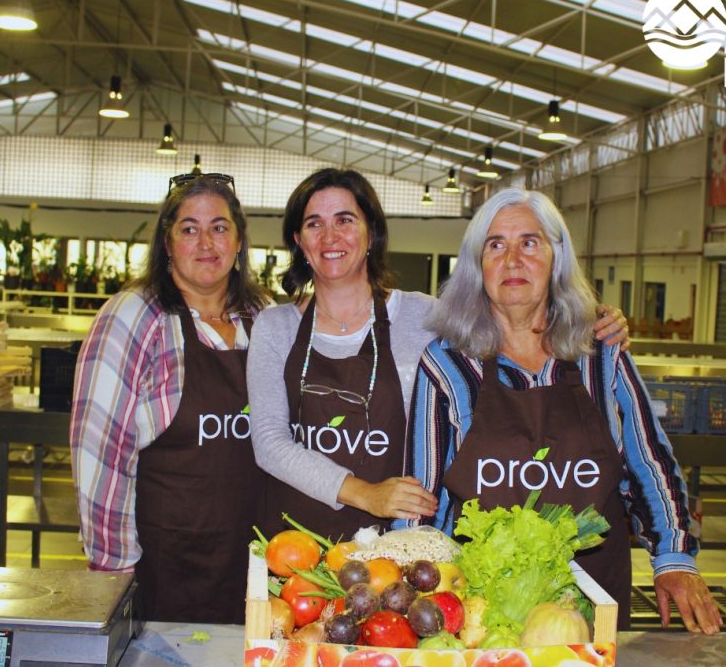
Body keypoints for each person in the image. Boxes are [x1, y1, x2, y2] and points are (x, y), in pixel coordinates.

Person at [247, 168, 630, 542]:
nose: (330, 236)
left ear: (371, 234)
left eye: (345, 220)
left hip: (400, 541)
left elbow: (516, 323)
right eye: (314, 224)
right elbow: (269, 442)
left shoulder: (427, 317)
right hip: (296, 545)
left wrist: (589, 319)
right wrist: (366, 492)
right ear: (298, 239)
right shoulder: (275, 327)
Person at [402, 188, 722, 634]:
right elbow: (423, 494)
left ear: (558, 258)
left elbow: (648, 461)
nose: (512, 259)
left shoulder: (601, 353)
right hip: (480, 605)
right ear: (478, 266)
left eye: (529, 242)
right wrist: (413, 584)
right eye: (496, 245)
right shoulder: (448, 362)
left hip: (591, 598)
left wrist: (674, 558)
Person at [70, 172, 270, 624]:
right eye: (189, 229)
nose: (206, 243)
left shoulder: (263, 318)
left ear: (239, 243)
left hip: (253, 563)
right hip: (163, 566)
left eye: (220, 227)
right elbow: (99, 452)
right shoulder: (134, 316)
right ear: (167, 243)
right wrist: (114, 571)